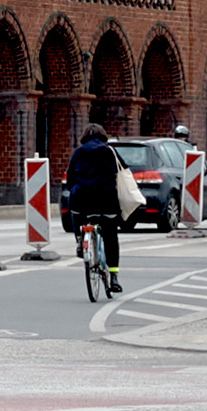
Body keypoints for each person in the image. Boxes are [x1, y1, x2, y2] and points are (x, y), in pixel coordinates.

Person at [62, 121, 131, 293]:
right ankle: (114, 277)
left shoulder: (78, 152)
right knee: (110, 235)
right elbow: (123, 171)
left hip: (82, 199)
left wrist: (75, 188)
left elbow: (70, 178)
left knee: (76, 213)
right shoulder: (109, 151)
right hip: (106, 200)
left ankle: (80, 240)